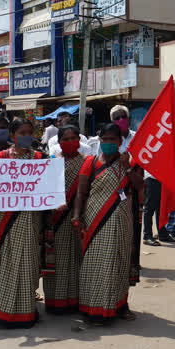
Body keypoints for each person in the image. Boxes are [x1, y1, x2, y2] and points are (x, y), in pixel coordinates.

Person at [72, 123, 138, 324]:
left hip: (120, 220)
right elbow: (81, 193)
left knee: (117, 261)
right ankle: (91, 306)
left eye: (113, 139)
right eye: (105, 139)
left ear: (120, 141)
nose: (108, 143)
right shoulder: (90, 163)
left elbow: (140, 186)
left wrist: (127, 168)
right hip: (94, 219)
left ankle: (118, 305)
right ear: (99, 140)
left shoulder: (129, 161)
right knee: (93, 263)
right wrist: (76, 216)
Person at [0, 118, 43, 327]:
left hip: (30, 221)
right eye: (22, 133)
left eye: (30, 132)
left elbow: (46, 189)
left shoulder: (39, 158)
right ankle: (2, 310)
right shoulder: (0, 157)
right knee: (5, 264)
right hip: (4, 221)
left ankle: (26, 311)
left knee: (27, 265)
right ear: (12, 136)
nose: (26, 136)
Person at [42, 125, 86, 314]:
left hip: (78, 218)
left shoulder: (88, 162)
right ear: (58, 142)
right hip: (55, 219)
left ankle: (75, 300)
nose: (70, 142)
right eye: (65, 139)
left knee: (76, 260)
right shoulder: (51, 162)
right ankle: (55, 302)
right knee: (56, 260)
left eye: (74, 138)